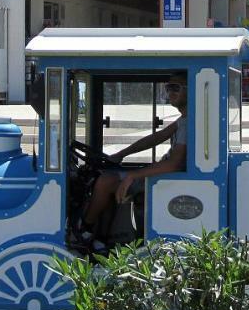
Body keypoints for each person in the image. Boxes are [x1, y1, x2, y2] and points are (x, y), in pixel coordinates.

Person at [78, 73, 189, 244]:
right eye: (168, 88)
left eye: (176, 88)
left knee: (106, 181)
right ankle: (104, 238)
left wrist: (132, 176)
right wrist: (122, 154)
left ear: (190, 91)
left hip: (170, 179)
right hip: (165, 176)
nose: (170, 92)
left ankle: (84, 229)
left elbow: (175, 164)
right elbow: (155, 138)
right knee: (110, 176)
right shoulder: (183, 120)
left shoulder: (189, 123)